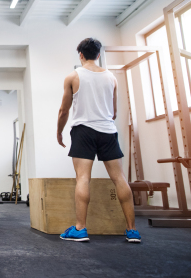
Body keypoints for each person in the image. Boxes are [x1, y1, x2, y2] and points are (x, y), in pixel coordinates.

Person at [57, 38, 140, 243]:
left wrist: (59, 132)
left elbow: (63, 111)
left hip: (83, 130)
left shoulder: (73, 76)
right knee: (120, 178)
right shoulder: (111, 77)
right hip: (107, 131)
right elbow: (113, 112)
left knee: (83, 178)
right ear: (99, 55)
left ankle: (80, 229)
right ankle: (132, 230)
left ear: (81, 55)